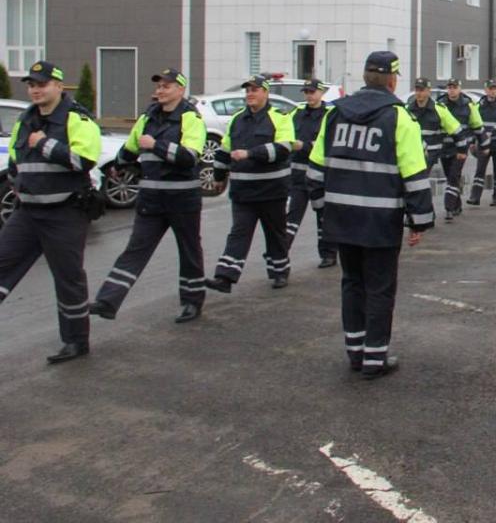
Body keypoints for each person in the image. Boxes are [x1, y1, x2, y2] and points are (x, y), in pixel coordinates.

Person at [307, 50, 433, 379]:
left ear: (365, 77)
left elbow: (315, 172)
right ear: (393, 80)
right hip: (380, 222)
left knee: (352, 283)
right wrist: (419, 221)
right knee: (379, 288)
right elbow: (415, 175)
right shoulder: (399, 117)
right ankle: (375, 358)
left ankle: (355, 352)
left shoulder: (334, 115)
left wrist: (323, 212)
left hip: (342, 219)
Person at [0, 61, 102, 363]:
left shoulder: (77, 119)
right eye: (31, 84)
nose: (35, 89)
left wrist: (45, 144)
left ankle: (76, 341)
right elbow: (17, 160)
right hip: (28, 212)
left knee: (68, 278)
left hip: (65, 213)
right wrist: (17, 182)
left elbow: (85, 160)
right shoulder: (24, 120)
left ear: (59, 86)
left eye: (42, 84)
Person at [91, 68, 208, 323]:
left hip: (182, 200)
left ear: (180, 90)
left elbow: (190, 157)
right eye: (158, 86)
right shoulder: (148, 117)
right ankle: (108, 300)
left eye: (166, 86)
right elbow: (130, 148)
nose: (160, 91)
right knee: (135, 249)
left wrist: (157, 145)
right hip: (151, 199)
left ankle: (192, 302)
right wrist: (115, 167)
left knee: (189, 251)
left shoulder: (191, 118)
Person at [205, 74, 296, 293]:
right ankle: (225, 277)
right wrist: (218, 178)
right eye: (247, 91)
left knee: (275, 234)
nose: (250, 94)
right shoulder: (237, 119)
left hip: (272, 192)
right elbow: (224, 151)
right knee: (239, 233)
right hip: (243, 193)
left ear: (265, 93)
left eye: (254, 90)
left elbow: (284, 149)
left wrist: (250, 153)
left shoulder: (279, 118)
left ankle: (279, 271)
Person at [284, 79, 337, 268]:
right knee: (291, 218)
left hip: (321, 176)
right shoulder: (296, 113)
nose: (309, 95)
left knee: (324, 216)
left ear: (321, 93)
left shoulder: (330, 115)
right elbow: (286, 136)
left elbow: (328, 144)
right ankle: (280, 255)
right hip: (298, 177)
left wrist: (304, 146)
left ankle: (328, 254)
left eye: (312, 92)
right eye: (306, 92)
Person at [405, 77, 467, 216]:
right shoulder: (409, 109)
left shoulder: (439, 110)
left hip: (432, 152)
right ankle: (429, 213)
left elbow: (456, 130)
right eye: (417, 90)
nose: (419, 93)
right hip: (414, 152)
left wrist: (462, 150)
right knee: (417, 182)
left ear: (428, 91)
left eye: (422, 90)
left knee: (420, 180)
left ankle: (430, 213)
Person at [439, 78, 485, 218]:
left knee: (454, 175)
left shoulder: (468, 104)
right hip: (445, 147)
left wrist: (483, 144)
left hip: (460, 148)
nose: (452, 90)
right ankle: (457, 205)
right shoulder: (441, 105)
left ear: (460, 88)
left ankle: (449, 207)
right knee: (451, 176)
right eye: (450, 87)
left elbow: (477, 125)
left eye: (454, 87)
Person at [468, 80, 496, 206]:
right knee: (480, 170)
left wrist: (491, 132)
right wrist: (472, 141)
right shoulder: (478, 104)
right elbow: (473, 123)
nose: (492, 91)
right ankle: (475, 197)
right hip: (483, 143)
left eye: (494, 89)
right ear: (485, 90)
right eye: (490, 89)